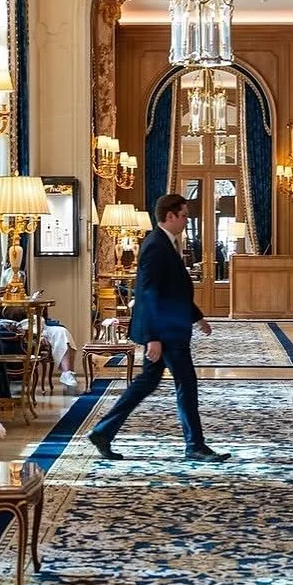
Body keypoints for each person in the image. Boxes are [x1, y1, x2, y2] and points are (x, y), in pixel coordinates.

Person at [88, 192, 228, 462]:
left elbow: (173, 290)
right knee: (186, 384)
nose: (188, 220)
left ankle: (104, 432)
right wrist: (153, 337)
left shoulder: (167, 242)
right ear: (170, 216)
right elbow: (149, 293)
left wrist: (197, 317)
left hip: (170, 328)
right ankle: (195, 446)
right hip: (165, 332)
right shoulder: (155, 245)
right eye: (184, 215)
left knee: (147, 383)